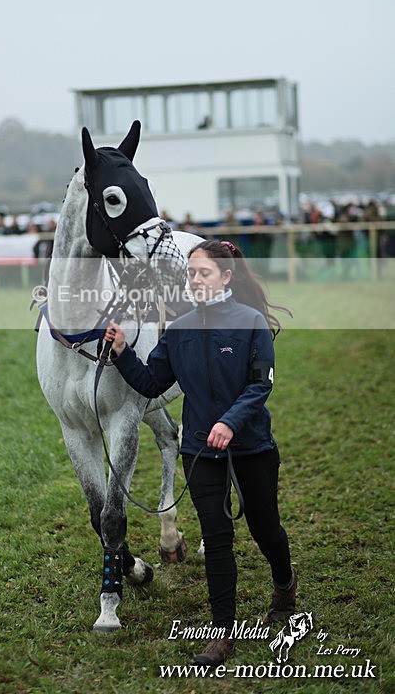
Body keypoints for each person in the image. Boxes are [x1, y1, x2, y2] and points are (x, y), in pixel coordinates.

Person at [104, 240, 295, 667]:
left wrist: (230, 422)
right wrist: (121, 354)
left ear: (226, 277)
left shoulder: (250, 323)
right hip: (199, 451)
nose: (195, 280)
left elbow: (260, 385)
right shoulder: (181, 328)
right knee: (219, 539)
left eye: (203, 273)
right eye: (191, 274)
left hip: (251, 448)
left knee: (266, 530)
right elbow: (153, 382)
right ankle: (222, 634)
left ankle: (284, 581)